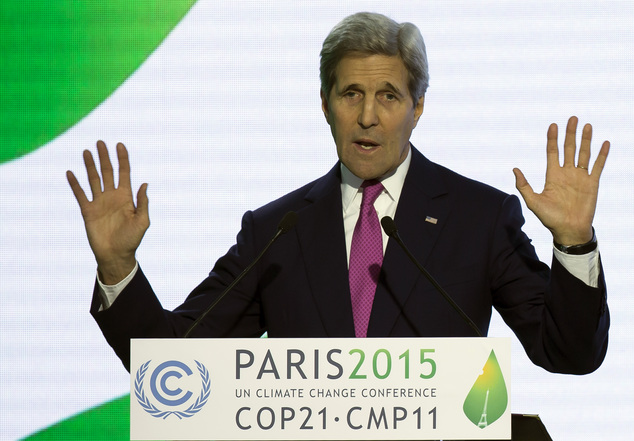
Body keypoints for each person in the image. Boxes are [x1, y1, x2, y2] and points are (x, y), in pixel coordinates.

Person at [67, 12, 610, 374]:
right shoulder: (275, 231)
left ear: (418, 107)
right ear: (325, 104)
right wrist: (118, 268)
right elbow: (171, 362)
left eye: (389, 95)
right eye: (351, 93)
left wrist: (575, 245)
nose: (368, 116)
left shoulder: (479, 218)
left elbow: (568, 352)